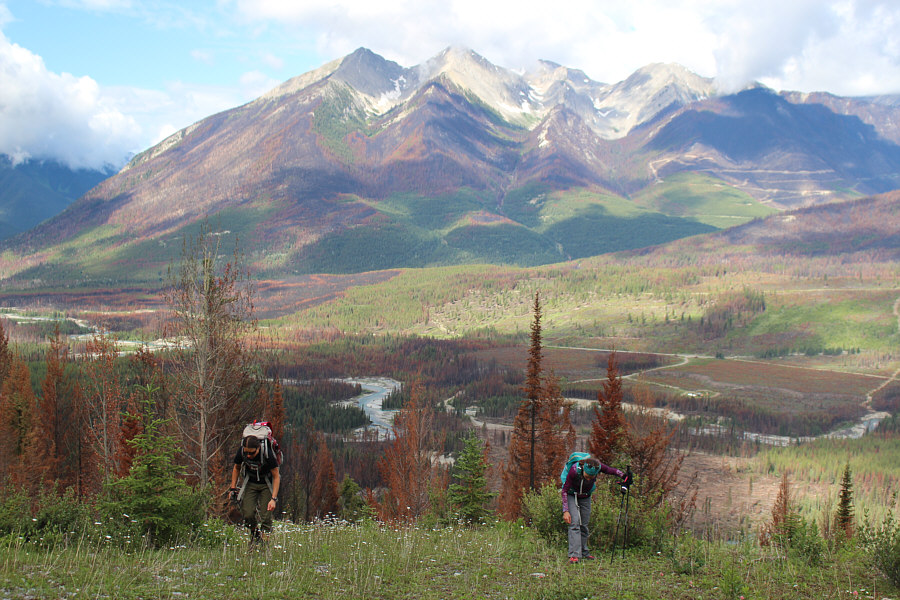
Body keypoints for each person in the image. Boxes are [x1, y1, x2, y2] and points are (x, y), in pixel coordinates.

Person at [561, 456, 632, 564]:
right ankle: (574, 555)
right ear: (584, 469)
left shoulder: (598, 467)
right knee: (574, 522)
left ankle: (584, 552)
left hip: (585, 496)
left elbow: (611, 470)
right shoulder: (574, 470)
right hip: (571, 494)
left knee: (584, 524)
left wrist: (624, 476)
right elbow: (564, 490)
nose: (589, 479)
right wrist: (565, 510)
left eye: (592, 477)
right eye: (587, 476)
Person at [230, 435, 280, 546]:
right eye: (246, 452)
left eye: (252, 453)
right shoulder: (242, 452)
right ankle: (255, 536)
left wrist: (273, 499)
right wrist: (233, 488)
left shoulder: (267, 454)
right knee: (247, 513)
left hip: (266, 484)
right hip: (250, 483)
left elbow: (276, 476)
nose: (249, 455)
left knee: (266, 516)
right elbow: (236, 468)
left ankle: (264, 545)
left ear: (258, 448)